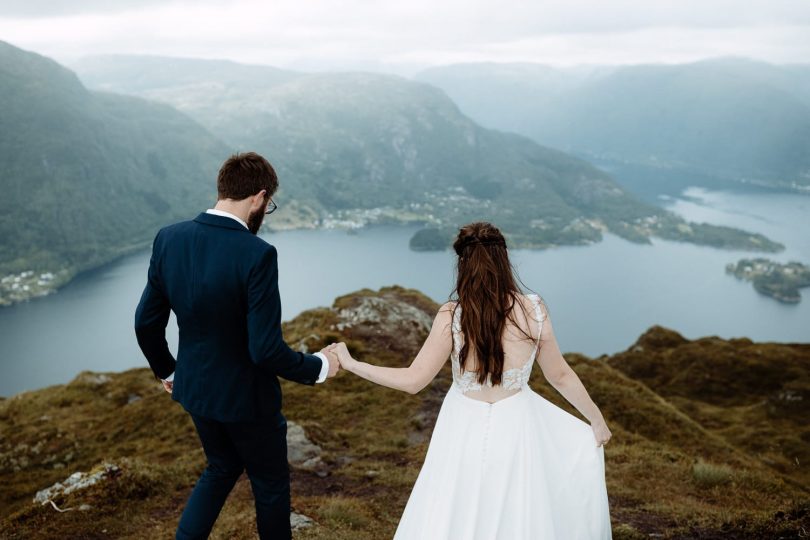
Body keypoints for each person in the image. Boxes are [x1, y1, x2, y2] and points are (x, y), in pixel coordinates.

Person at [330, 221, 612, 539]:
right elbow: (559, 374)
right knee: (518, 510)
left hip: (461, 425)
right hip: (518, 422)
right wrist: (595, 419)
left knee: (454, 507)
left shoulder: (452, 316)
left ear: (463, 264)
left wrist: (352, 363)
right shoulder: (534, 310)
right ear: (504, 261)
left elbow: (412, 380)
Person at [134, 151, 340, 540]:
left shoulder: (169, 238)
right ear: (260, 197)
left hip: (194, 391)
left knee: (221, 466)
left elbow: (146, 323)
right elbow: (264, 349)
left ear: (223, 188)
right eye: (269, 203)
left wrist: (171, 371)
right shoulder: (256, 253)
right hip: (248, 400)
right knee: (270, 486)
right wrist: (321, 366)